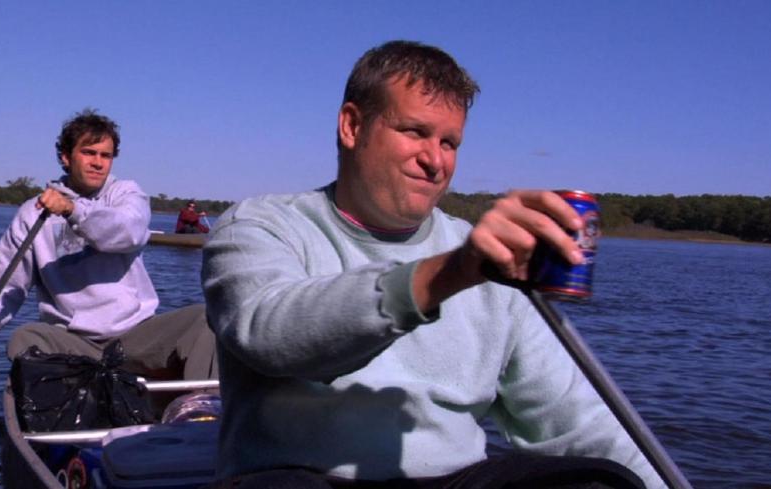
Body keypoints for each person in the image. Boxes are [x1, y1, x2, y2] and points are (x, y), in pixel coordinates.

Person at [202, 41, 665, 488]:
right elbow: (270, 334)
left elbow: (572, 419)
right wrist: (449, 275)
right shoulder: (260, 226)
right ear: (352, 126)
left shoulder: (485, 258)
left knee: (600, 481)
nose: (435, 160)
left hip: (453, 479)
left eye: (450, 142)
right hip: (292, 473)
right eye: (415, 132)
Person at [0, 109, 217, 383]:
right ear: (65, 157)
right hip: (72, 342)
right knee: (25, 339)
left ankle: (200, 406)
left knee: (205, 319)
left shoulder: (126, 195)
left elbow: (128, 232)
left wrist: (72, 210)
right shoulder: (33, 214)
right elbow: (2, 284)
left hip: (135, 336)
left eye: (105, 155)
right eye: (88, 152)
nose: (98, 163)